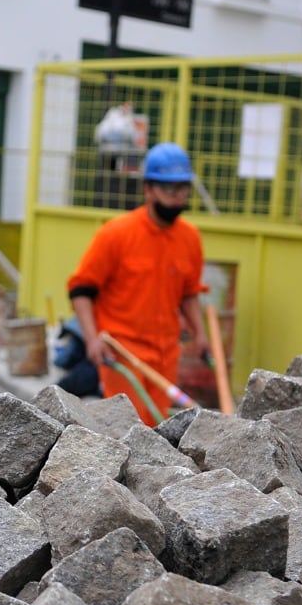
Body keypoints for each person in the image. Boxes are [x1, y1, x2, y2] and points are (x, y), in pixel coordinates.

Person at [67, 142, 209, 425]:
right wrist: (93, 339)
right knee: (129, 427)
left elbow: (189, 293)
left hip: (166, 353)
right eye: (169, 189)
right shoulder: (116, 234)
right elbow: (81, 289)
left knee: (157, 429)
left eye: (182, 189)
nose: (177, 196)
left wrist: (201, 335)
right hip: (121, 352)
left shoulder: (190, 238)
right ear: (148, 189)